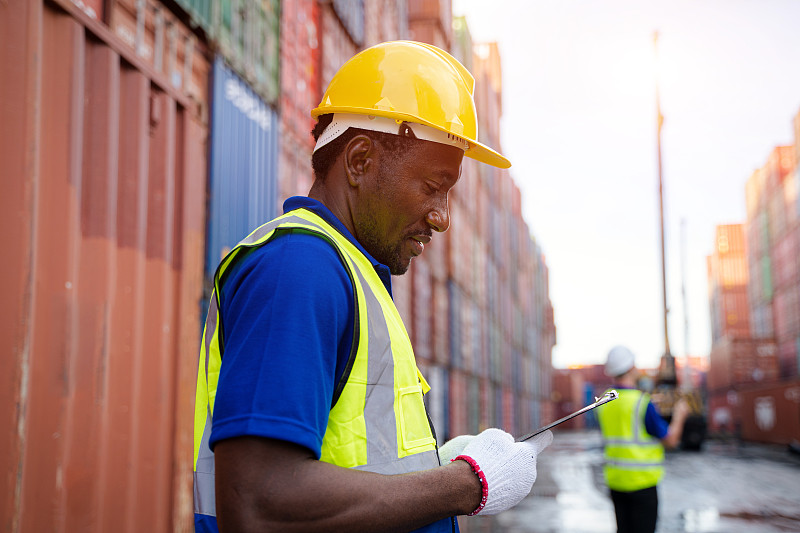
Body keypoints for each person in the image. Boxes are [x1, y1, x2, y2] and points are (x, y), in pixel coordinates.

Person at [192, 40, 553, 533]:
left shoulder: (350, 273)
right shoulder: (299, 268)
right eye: (433, 186)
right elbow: (259, 504)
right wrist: (467, 485)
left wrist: (433, 468)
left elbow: (347, 456)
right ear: (360, 160)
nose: (442, 217)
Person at [596, 345, 690, 533]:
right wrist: (680, 416)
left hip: (616, 481)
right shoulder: (642, 403)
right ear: (631, 367)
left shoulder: (603, 402)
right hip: (642, 484)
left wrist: (648, 407)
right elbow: (670, 441)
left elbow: (625, 416)